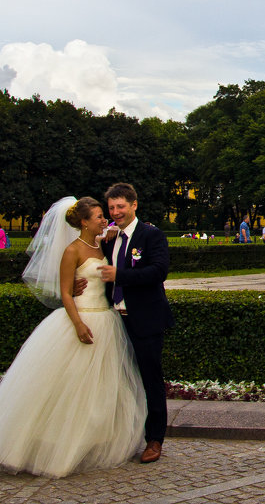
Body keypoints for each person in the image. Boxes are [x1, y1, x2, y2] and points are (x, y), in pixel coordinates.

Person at [0, 196, 145, 477]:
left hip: (106, 322)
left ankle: (90, 441)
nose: (104, 219)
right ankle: (51, 446)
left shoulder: (104, 242)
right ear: (84, 222)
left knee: (98, 389)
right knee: (66, 388)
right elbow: (64, 293)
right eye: (98, 215)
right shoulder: (72, 250)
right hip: (82, 320)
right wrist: (77, 324)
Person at [93, 182, 174, 464]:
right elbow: (97, 271)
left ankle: (154, 439)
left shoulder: (151, 235)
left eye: (121, 207)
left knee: (150, 379)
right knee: (116, 379)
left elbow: (159, 271)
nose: (116, 212)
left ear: (134, 205)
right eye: (112, 207)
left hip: (145, 320)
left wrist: (121, 275)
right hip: (113, 320)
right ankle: (121, 435)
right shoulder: (109, 238)